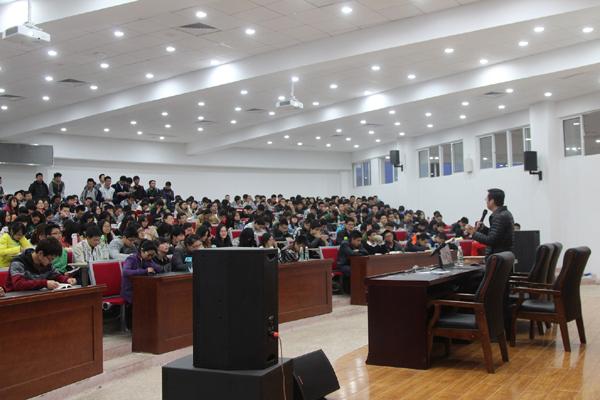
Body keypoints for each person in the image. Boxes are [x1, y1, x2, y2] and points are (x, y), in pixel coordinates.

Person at [5, 237, 76, 291]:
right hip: (15, 298)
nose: (51, 262)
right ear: (40, 253)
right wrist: (44, 283)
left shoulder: (46, 263)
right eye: (50, 259)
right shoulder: (18, 262)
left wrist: (67, 280)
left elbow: (55, 275)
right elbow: (18, 284)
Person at [121, 240, 163, 329]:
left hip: (142, 289)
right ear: (142, 251)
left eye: (152, 255)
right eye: (149, 255)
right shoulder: (131, 259)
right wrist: (144, 271)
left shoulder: (147, 260)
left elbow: (159, 269)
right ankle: (134, 327)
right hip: (130, 290)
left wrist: (152, 265)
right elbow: (125, 272)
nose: (150, 257)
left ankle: (147, 326)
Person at [466, 188, 514, 258]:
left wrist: (473, 233)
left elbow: (491, 240)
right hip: (502, 255)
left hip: (497, 257)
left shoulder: (500, 216)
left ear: (492, 201)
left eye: (486, 199)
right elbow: (497, 236)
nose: (486, 201)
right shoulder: (505, 213)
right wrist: (484, 229)